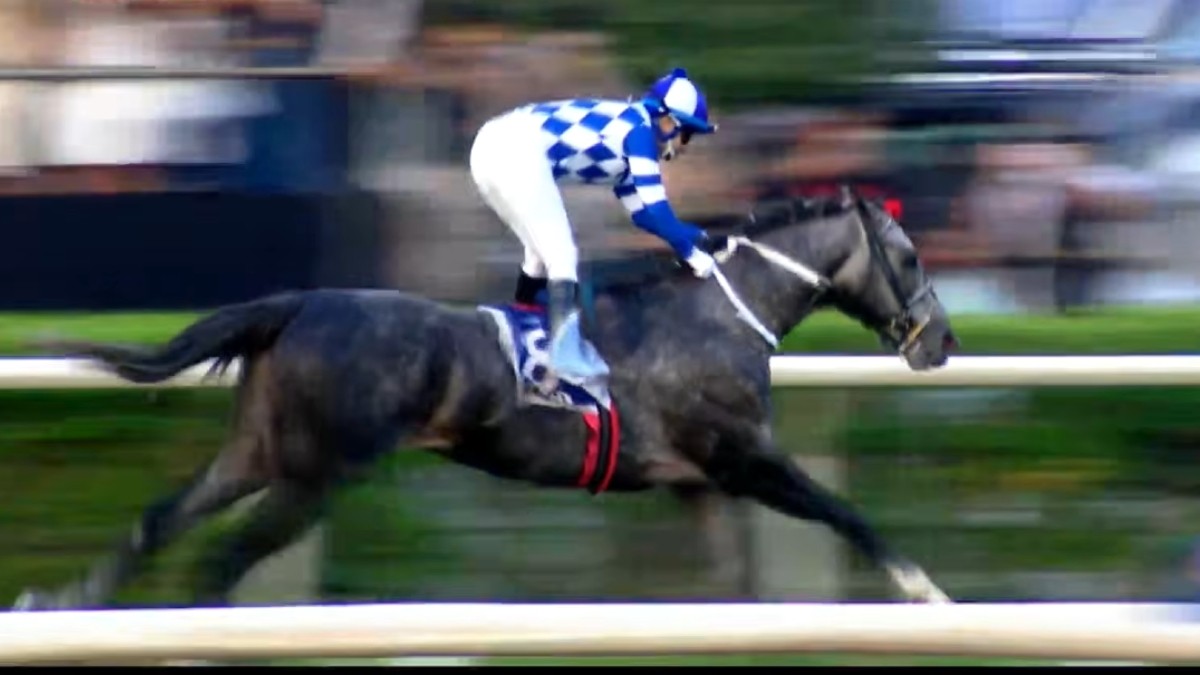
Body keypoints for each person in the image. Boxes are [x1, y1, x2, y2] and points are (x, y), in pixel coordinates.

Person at [469, 67, 719, 384]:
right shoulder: (639, 132)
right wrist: (693, 255)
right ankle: (565, 357)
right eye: (689, 134)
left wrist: (691, 235)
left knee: (538, 253)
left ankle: (524, 328)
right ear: (670, 122)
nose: (686, 145)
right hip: (513, 149)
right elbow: (657, 209)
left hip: (489, 148)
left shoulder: (630, 132)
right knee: (561, 254)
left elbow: (643, 215)